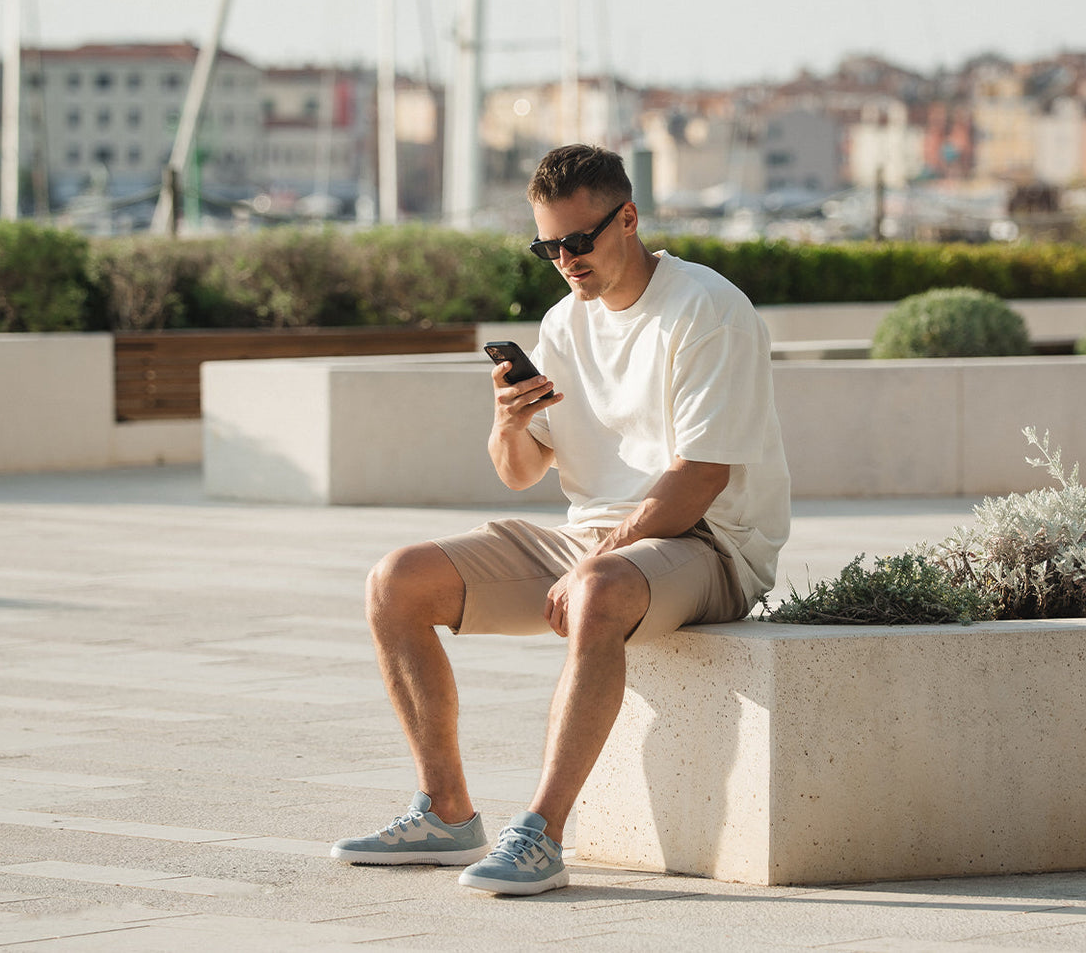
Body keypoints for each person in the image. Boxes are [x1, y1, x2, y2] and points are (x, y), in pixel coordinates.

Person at [330, 144, 790, 896]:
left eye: (578, 240)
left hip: (707, 545)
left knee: (600, 587)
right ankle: (446, 813)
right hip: (596, 539)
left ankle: (540, 834)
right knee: (397, 580)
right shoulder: (562, 323)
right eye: (548, 246)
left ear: (628, 218)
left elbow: (701, 477)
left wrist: (594, 558)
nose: (565, 260)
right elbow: (518, 472)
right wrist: (508, 420)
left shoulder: (706, 308)